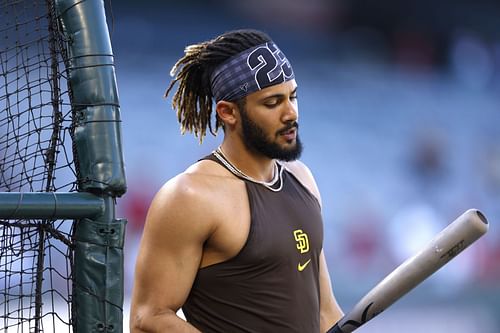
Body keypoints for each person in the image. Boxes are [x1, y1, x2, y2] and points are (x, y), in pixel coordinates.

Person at [130, 29, 344, 333]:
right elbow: (147, 318)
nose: (291, 113)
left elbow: (326, 312)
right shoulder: (190, 196)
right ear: (228, 112)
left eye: (292, 96)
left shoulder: (302, 179)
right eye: (272, 103)